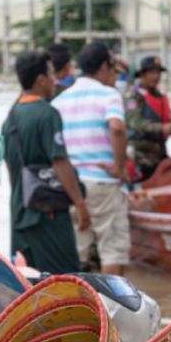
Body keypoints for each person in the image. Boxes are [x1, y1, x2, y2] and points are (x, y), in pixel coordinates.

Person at [1, 50, 90, 274]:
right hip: (47, 215)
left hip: (20, 212)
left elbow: (10, 167)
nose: (55, 80)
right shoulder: (47, 114)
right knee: (64, 279)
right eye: (51, 74)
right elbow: (60, 163)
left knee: (28, 281)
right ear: (40, 80)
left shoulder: (10, 117)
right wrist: (80, 204)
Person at [53, 41, 130, 276]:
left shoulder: (59, 101)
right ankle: (112, 310)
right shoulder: (109, 95)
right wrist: (119, 168)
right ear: (104, 67)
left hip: (72, 185)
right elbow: (116, 128)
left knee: (78, 252)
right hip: (103, 182)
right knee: (112, 251)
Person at [125, 55, 171, 181]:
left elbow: (169, 118)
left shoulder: (160, 96)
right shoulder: (133, 96)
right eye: (152, 72)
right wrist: (162, 128)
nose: (156, 77)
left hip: (160, 154)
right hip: (140, 156)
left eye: (158, 73)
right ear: (143, 74)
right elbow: (135, 122)